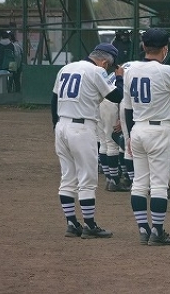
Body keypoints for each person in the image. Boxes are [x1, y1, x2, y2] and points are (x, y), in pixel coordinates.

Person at [123, 28, 170, 246]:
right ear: (165, 49)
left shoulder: (130, 70)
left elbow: (127, 108)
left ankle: (143, 229)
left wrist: (129, 135)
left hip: (138, 129)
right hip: (159, 131)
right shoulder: (166, 71)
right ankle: (157, 231)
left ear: (144, 46)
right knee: (159, 185)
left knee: (139, 183)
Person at [50, 42, 124, 239]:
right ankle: (89, 225)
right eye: (109, 66)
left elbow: (54, 100)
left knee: (68, 177)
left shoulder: (66, 68)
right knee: (87, 179)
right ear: (104, 61)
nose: (108, 68)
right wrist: (119, 78)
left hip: (62, 125)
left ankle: (71, 223)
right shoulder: (96, 71)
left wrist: (56, 126)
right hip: (82, 128)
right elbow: (117, 96)